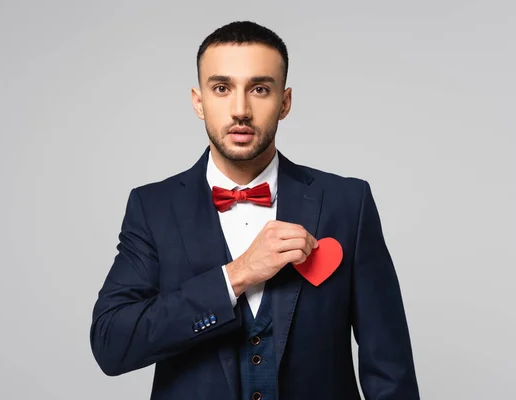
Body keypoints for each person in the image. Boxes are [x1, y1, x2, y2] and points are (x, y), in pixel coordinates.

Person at [90, 20, 420, 400]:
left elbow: (390, 369)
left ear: (284, 102)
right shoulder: (152, 207)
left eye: (260, 89)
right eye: (221, 88)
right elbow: (111, 344)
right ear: (199, 102)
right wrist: (236, 276)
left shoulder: (348, 202)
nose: (241, 109)